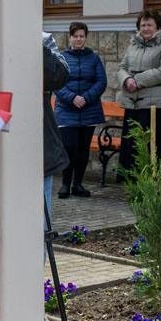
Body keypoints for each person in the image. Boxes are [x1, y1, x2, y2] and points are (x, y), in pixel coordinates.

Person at [116, 9, 161, 175]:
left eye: (150, 25)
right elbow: (121, 68)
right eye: (143, 25)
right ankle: (132, 182)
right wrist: (126, 80)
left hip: (154, 106)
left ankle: (154, 183)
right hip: (132, 104)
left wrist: (137, 81)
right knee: (132, 147)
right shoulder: (133, 44)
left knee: (152, 147)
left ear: (158, 26)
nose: (146, 28)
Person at [54, 21, 107, 199]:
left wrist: (86, 98)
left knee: (83, 149)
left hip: (89, 110)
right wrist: (72, 98)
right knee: (69, 146)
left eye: (81, 36)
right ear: (70, 37)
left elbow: (101, 81)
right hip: (67, 110)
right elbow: (56, 82)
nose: (78, 39)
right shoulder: (61, 58)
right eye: (75, 36)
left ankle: (78, 184)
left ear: (86, 37)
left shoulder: (93, 58)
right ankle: (65, 184)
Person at [41, 36, 70, 216]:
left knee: (41, 216)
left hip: (40, 135)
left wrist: (38, 47)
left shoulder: (43, 39)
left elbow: (59, 77)